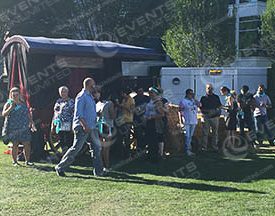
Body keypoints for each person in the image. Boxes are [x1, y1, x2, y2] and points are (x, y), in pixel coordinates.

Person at [55, 78, 104, 177]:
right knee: (76, 149)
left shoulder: (90, 96)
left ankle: (99, 172)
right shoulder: (81, 96)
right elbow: (78, 114)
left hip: (92, 127)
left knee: (96, 149)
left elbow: (88, 111)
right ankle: (60, 167)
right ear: (88, 85)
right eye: (93, 85)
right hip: (83, 127)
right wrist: (84, 126)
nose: (94, 87)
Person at [2, 87, 36, 166]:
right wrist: (11, 107)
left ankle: (27, 161)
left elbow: (28, 114)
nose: (15, 96)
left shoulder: (23, 103)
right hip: (14, 128)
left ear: (19, 95)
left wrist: (32, 123)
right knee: (15, 144)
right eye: (13, 95)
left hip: (24, 127)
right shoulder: (8, 104)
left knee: (27, 144)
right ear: (11, 95)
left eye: (16, 95)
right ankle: (15, 161)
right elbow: (3, 114)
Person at [144, 87, 165, 162]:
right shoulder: (150, 101)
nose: (150, 94)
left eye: (151, 93)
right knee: (150, 139)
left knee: (155, 139)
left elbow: (162, 114)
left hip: (155, 122)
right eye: (149, 93)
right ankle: (150, 155)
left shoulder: (158, 102)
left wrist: (152, 116)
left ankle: (155, 157)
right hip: (149, 121)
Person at [51, 86, 74, 155]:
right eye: (61, 92)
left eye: (64, 92)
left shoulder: (71, 101)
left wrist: (73, 125)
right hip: (58, 123)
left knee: (67, 139)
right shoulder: (58, 101)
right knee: (61, 139)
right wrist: (53, 124)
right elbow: (55, 113)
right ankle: (63, 154)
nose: (63, 93)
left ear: (67, 92)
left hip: (67, 123)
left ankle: (69, 156)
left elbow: (73, 113)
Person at [200, 84, 222, 152]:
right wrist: (207, 112)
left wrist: (217, 112)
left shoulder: (216, 97)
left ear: (213, 89)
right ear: (206, 89)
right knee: (205, 133)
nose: (210, 90)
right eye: (208, 88)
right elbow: (200, 108)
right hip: (206, 116)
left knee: (215, 133)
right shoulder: (203, 98)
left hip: (215, 117)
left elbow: (219, 106)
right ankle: (204, 147)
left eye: (211, 88)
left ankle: (214, 146)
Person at [98, 95, 117, 170]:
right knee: (106, 147)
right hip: (107, 126)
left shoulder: (98, 103)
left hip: (99, 125)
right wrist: (115, 109)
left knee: (100, 147)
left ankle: (101, 164)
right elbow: (112, 116)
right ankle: (107, 165)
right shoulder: (109, 103)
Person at [179, 89, 200, 156]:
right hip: (186, 120)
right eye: (191, 94)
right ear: (187, 94)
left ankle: (189, 148)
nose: (192, 95)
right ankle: (187, 149)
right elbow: (180, 111)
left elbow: (200, 105)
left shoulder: (193, 101)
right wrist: (181, 120)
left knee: (190, 135)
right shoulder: (183, 101)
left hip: (193, 120)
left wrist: (195, 98)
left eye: (192, 94)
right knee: (187, 135)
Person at [116, 88, 135, 158]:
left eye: (123, 93)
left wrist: (124, 107)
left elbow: (132, 110)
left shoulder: (131, 100)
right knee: (120, 138)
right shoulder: (124, 100)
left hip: (128, 121)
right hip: (122, 120)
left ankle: (128, 154)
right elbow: (121, 107)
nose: (122, 95)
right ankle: (121, 154)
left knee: (127, 138)